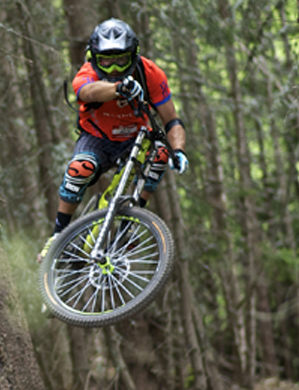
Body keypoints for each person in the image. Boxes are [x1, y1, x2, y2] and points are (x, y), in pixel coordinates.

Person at [40, 18, 189, 259]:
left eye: (121, 59)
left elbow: (172, 120)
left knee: (162, 153)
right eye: (106, 60)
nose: (114, 68)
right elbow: (86, 92)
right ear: (93, 56)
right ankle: (57, 234)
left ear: (134, 55)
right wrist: (117, 88)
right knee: (80, 169)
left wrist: (179, 150)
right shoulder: (87, 72)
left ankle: (130, 223)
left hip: (136, 139)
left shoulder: (150, 73)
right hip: (97, 136)